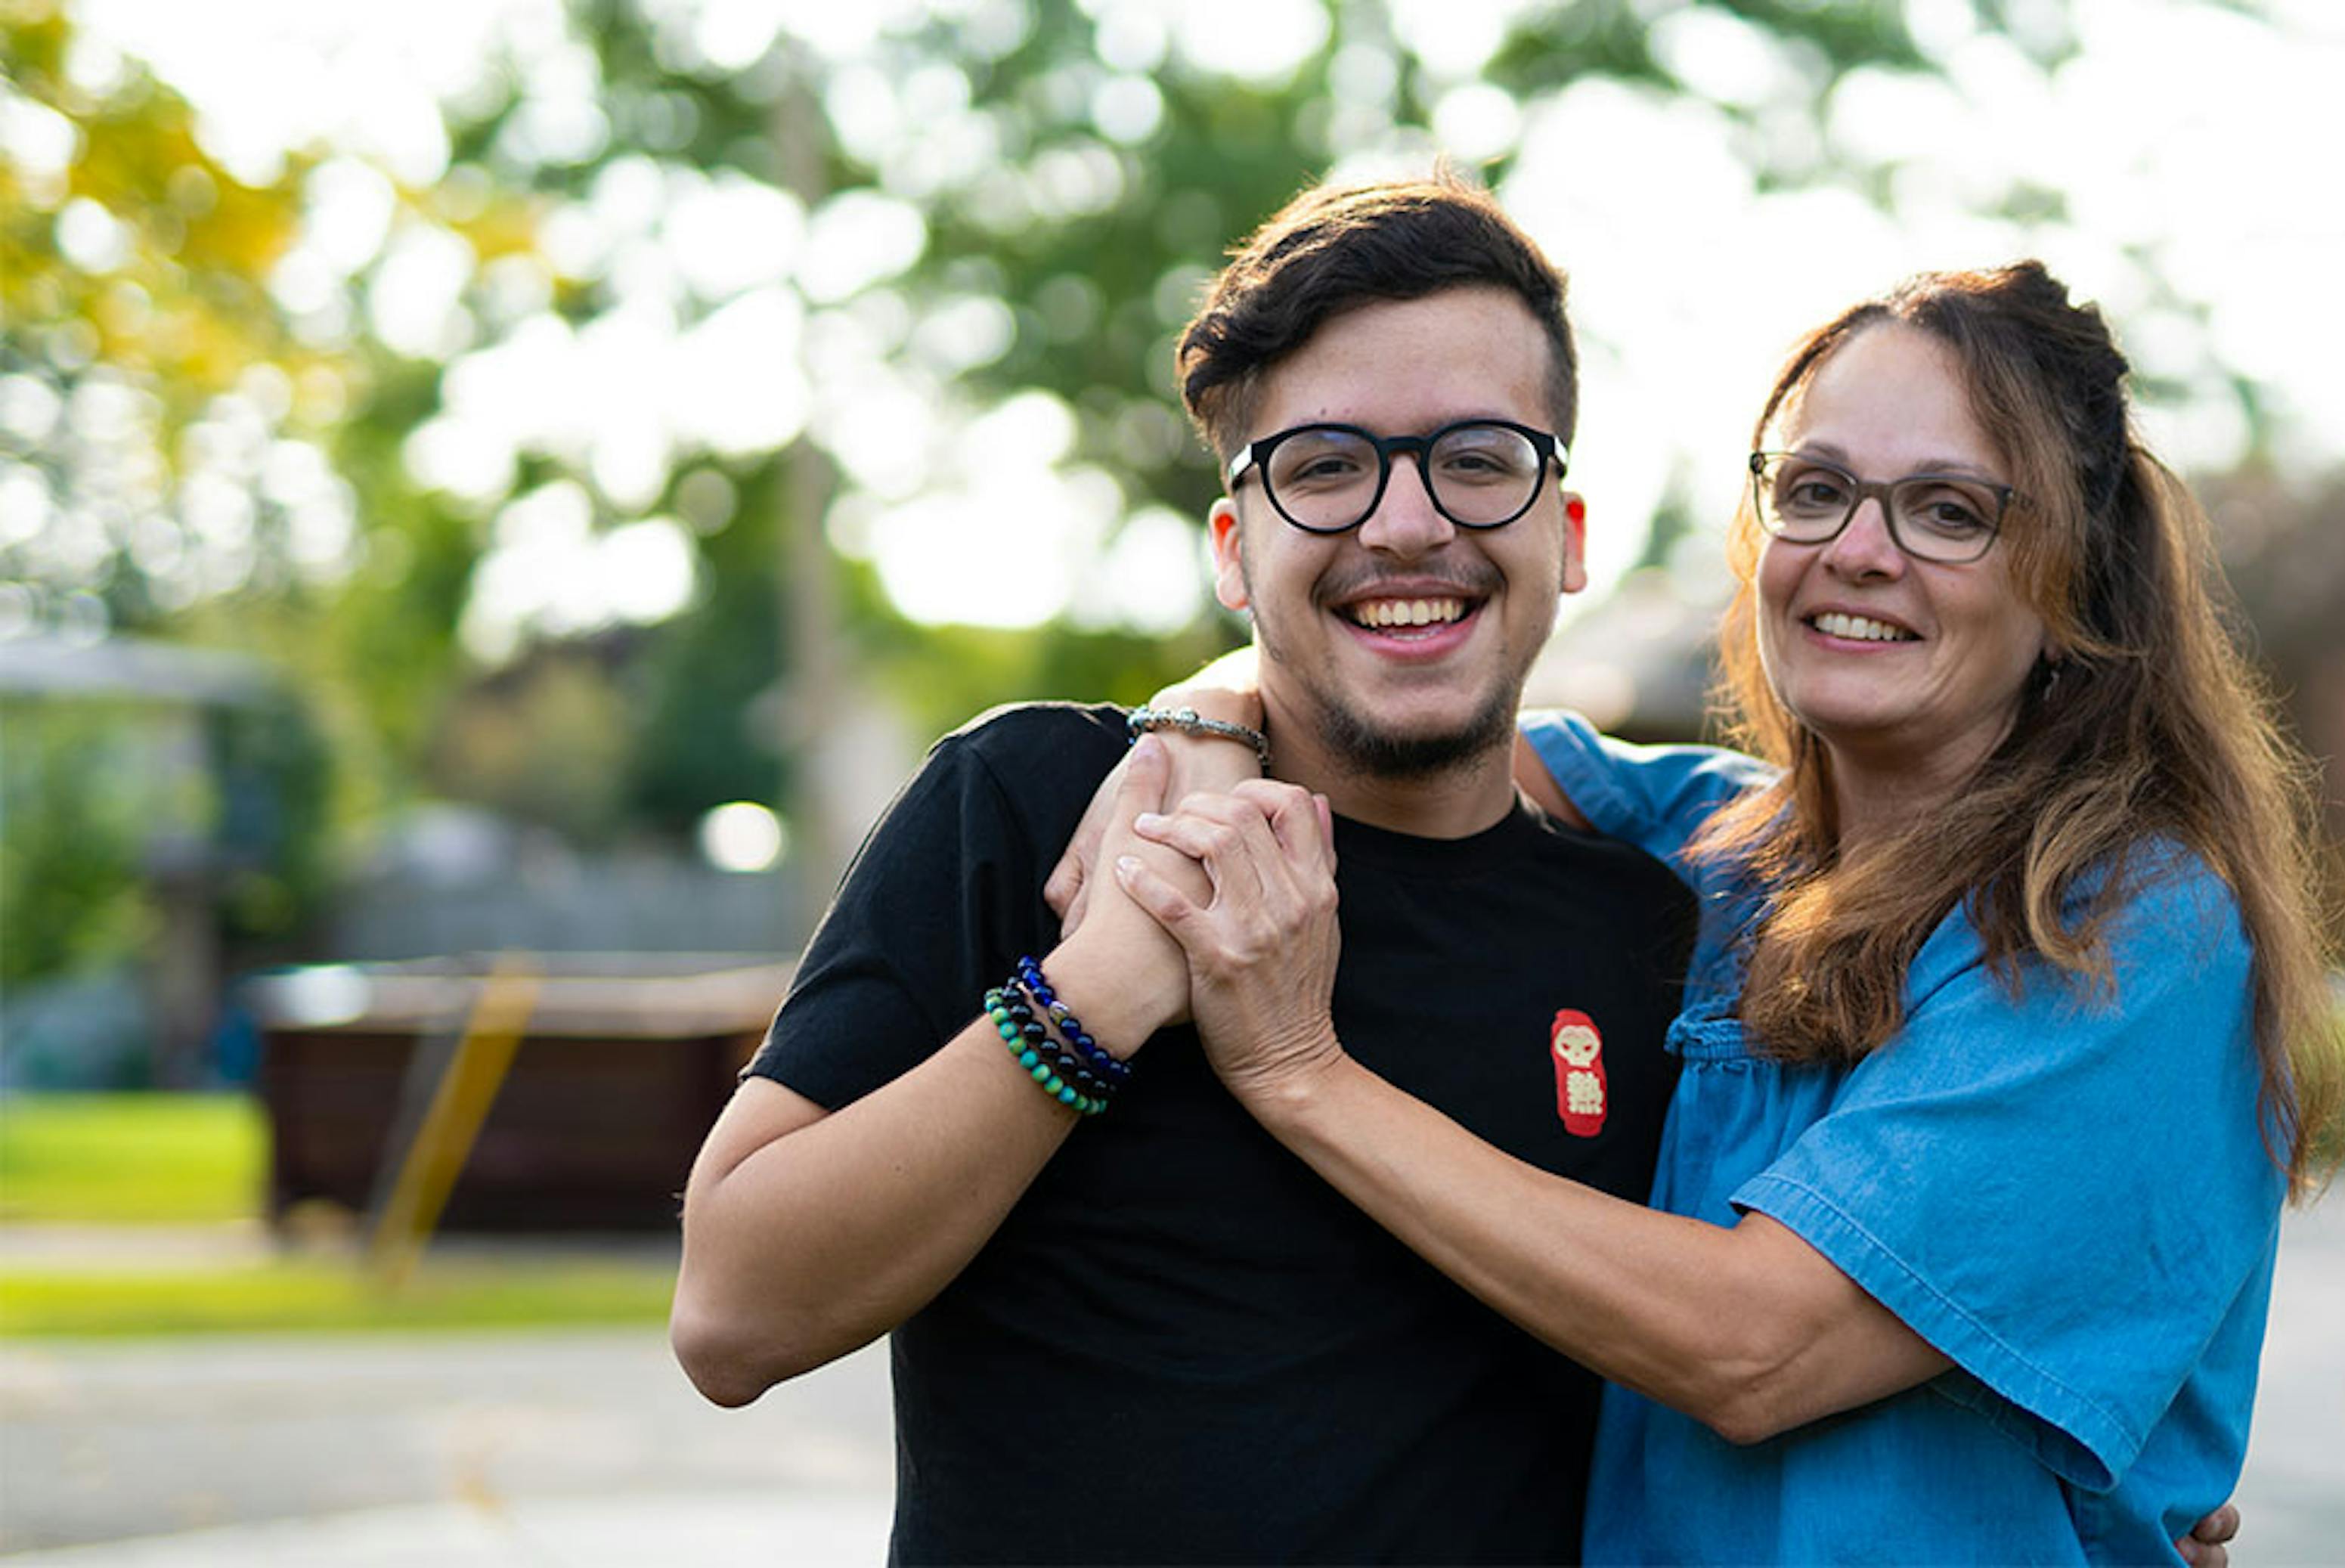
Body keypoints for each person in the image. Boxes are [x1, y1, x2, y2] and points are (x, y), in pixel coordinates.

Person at [1108, 261, 2345, 1563]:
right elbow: (1404, 703)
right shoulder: (1722, 842)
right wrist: (1201, 722)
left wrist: (1302, 1071)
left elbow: (1756, 1346)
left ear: (2074, 585)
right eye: (1814, 491)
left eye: (1946, 509)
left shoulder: (2124, 927)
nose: (1857, 550)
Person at [671, 175, 1699, 1563]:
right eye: (1327, 465)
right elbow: (735, 1314)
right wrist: (1091, 996)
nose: (1405, 523)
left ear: (1565, 535)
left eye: (1478, 457)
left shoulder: (1656, 935)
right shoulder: (1037, 805)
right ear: (1236, 547)